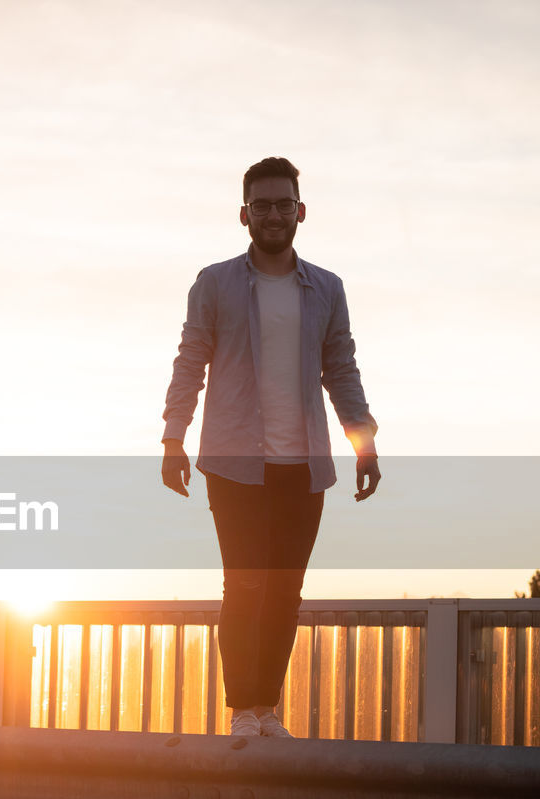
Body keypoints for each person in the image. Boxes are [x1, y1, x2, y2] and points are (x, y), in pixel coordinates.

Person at [160, 156, 380, 739]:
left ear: (300, 212)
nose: (274, 214)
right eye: (262, 206)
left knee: (284, 590)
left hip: (304, 465)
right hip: (234, 462)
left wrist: (364, 443)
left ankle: (268, 711)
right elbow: (190, 362)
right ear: (244, 214)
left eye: (285, 204)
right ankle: (242, 710)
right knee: (247, 583)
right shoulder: (214, 283)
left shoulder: (327, 289)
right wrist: (172, 436)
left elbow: (341, 368)